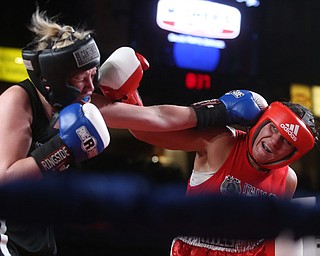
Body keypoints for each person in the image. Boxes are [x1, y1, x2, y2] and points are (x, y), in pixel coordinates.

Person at [94, 48, 320, 255]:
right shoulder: (222, 141)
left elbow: (273, 235)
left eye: (287, 141)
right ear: (263, 121)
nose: (274, 141)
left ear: (294, 153)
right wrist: (127, 95)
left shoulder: (287, 180)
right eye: (273, 128)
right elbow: (148, 132)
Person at [0, 9, 111, 256]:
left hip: (38, 229)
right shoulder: (16, 101)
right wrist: (63, 148)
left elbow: (152, 117)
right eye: (82, 78)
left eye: (93, 75)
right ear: (55, 80)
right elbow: (5, 180)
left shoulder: (79, 106)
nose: (91, 87)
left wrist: (213, 111)